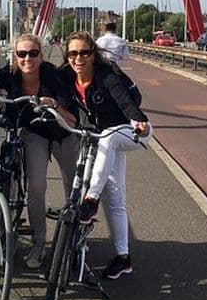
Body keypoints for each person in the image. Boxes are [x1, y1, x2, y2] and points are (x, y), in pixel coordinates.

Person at [59, 31, 152, 280]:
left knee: (109, 137)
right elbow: (45, 80)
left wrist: (139, 121)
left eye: (84, 53)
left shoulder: (107, 76)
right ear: (67, 56)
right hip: (103, 140)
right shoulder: (66, 75)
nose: (78, 58)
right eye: (73, 53)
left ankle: (90, 200)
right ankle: (124, 259)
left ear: (93, 55)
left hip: (131, 129)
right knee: (115, 196)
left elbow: (124, 102)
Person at [0, 34, 79, 269]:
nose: (27, 58)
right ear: (15, 56)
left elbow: (72, 118)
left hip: (63, 132)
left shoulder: (53, 75)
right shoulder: (9, 75)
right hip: (35, 133)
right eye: (21, 53)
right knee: (36, 187)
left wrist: (54, 105)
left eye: (33, 53)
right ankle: (39, 242)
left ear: (41, 54)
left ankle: (73, 240)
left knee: (73, 187)